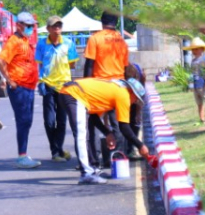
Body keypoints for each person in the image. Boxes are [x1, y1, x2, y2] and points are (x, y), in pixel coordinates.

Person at [59, 77, 149, 185]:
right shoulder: (124, 94)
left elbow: (94, 118)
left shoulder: (114, 90)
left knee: (84, 134)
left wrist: (108, 133)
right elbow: (124, 127)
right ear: (132, 92)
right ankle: (87, 174)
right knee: (81, 135)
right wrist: (140, 146)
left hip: (72, 92)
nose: (134, 102)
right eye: (136, 99)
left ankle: (92, 170)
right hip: (74, 94)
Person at [83, 10, 129, 169]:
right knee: (119, 124)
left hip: (99, 87)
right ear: (116, 22)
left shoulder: (95, 39)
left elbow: (89, 65)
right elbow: (125, 66)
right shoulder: (122, 41)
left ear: (101, 21)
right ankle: (117, 160)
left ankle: (94, 160)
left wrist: (85, 87)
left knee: (92, 123)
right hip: (118, 86)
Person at [0, 11, 41, 169]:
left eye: (32, 26)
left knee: (27, 120)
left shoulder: (25, 41)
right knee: (23, 120)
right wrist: (9, 80)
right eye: (28, 26)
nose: (31, 29)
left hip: (29, 87)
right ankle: (22, 156)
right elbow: (1, 60)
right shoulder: (14, 41)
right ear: (19, 25)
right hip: (19, 87)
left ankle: (24, 153)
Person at [35, 15, 79, 162]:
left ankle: (57, 151)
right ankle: (56, 150)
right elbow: (39, 64)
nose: (57, 28)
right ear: (48, 29)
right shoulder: (41, 44)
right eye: (54, 26)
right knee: (49, 121)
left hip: (64, 86)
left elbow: (72, 64)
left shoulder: (68, 43)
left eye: (59, 25)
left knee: (61, 120)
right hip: (47, 85)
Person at [183, 37, 205, 124]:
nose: (194, 51)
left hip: (203, 84)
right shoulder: (193, 61)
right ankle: (202, 119)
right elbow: (192, 73)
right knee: (199, 103)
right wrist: (190, 85)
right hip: (196, 85)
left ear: (201, 49)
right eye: (193, 49)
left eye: (196, 49)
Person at [124, 63, 146, 159]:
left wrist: (138, 113)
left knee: (135, 123)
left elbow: (140, 97)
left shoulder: (140, 78)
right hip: (123, 98)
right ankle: (127, 149)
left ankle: (133, 147)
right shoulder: (122, 83)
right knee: (125, 123)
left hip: (134, 98)